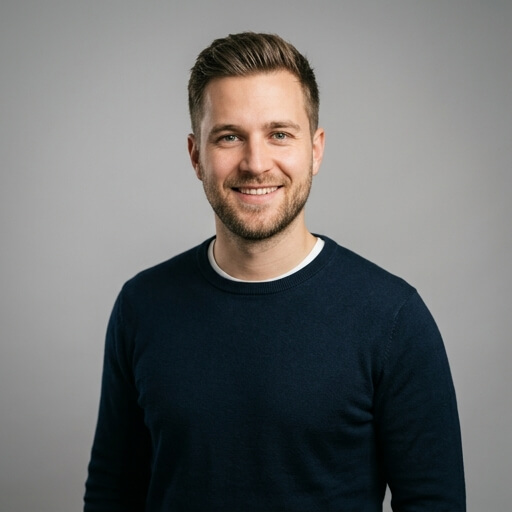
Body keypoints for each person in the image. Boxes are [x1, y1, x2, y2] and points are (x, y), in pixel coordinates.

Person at [84, 32, 465, 511]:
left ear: (316, 150)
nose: (256, 163)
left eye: (279, 134)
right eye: (229, 136)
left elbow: (435, 503)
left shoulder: (392, 318)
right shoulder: (141, 306)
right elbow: (111, 495)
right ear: (196, 155)